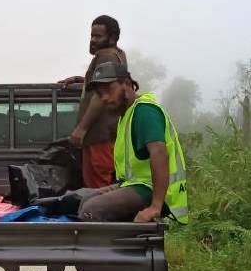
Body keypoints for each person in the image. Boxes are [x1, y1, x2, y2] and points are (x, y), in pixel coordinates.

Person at [78, 61, 188, 224]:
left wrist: (155, 207)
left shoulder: (144, 111)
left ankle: (112, 249)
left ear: (127, 84)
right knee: (82, 201)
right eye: (100, 94)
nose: (105, 98)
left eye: (108, 90)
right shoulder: (127, 114)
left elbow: (159, 153)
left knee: (91, 211)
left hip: (156, 192)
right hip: (137, 184)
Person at [59, 15, 127, 188]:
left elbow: (101, 94)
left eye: (98, 36)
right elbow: (108, 81)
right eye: (92, 35)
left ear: (112, 37)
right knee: (101, 186)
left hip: (99, 137)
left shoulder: (106, 56)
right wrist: (79, 79)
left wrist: (81, 129)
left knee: (97, 189)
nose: (93, 40)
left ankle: (97, 216)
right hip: (107, 136)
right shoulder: (118, 55)